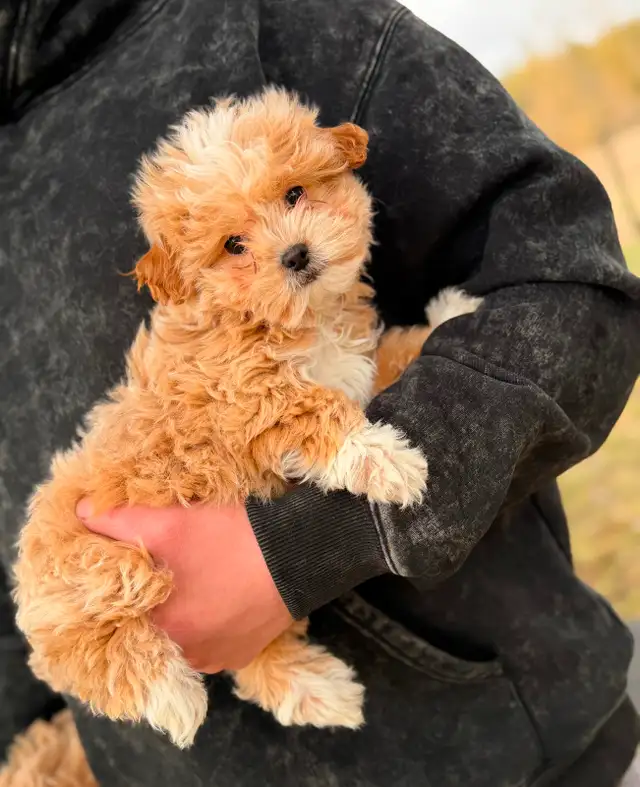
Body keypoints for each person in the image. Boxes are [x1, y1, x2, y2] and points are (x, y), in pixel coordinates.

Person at [1, 0, 639, 784]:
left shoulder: (276, 22)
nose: (285, 242)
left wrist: (300, 546)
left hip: (500, 756)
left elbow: (577, 291)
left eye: (296, 197)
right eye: (236, 243)